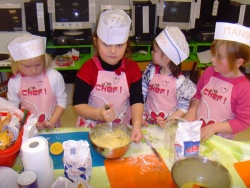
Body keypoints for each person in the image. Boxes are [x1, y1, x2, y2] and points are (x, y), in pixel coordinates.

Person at [73, 9, 144, 143]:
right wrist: (99, 114)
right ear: (96, 42)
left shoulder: (132, 68)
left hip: (121, 130)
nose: (113, 51)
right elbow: (78, 104)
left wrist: (136, 126)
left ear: (126, 44)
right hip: (91, 128)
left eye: (119, 45)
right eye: (106, 44)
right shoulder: (88, 69)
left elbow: (137, 100)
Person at [184, 22, 250, 141]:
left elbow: (242, 122)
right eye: (213, 54)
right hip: (197, 132)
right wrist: (192, 111)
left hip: (221, 140)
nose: (212, 60)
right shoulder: (209, 72)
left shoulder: (244, 89)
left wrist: (214, 128)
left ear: (238, 62)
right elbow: (198, 95)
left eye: (219, 56)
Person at [7, 34, 67, 130]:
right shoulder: (14, 82)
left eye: (38, 64)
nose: (34, 70)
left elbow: (62, 101)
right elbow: (14, 108)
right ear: (17, 63)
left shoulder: (54, 76)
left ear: (45, 60)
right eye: (28, 66)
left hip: (52, 125)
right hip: (28, 127)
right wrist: (31, 124)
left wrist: (52, 121)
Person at [142, 26, 197, 128]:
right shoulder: (150, 71)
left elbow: (183, 108)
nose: (151, 52)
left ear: (167, 56)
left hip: (167, 127)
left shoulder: (181, 83)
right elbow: (142, 94)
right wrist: (141, 116)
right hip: (147, 123)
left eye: (155, 50)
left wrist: (168, 121)